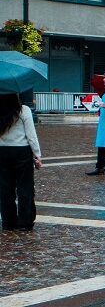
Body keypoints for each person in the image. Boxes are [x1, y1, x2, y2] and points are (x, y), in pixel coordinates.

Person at [0, 93, 42, 230]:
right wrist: (37, 154)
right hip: (22, 151)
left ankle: (8, 221)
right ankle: (25, 221)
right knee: (25, 187)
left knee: (5, 189)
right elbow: (31, 135)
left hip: (2, 151)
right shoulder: (24, 110)